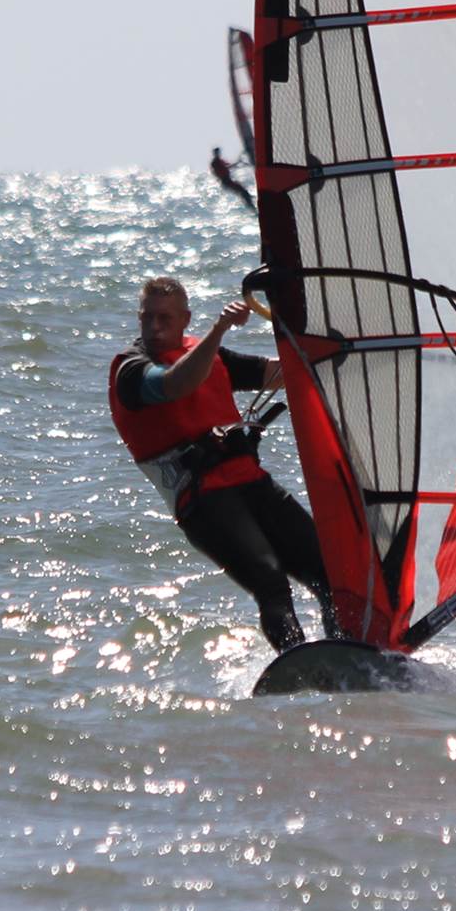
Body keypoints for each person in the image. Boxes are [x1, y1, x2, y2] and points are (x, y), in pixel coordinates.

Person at [109, 276, 326, 650]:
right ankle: (297, 663)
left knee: (327, 570)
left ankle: (353, 652)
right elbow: (175, 383)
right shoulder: (131, 370)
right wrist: (220, 329)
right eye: (148, 318)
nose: (155, 327)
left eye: (165, 318)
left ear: (185, 319)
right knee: (270, 581)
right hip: (203, 502)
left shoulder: (208, 355)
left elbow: (278, 373)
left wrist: (323, 350)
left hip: (251, 483)